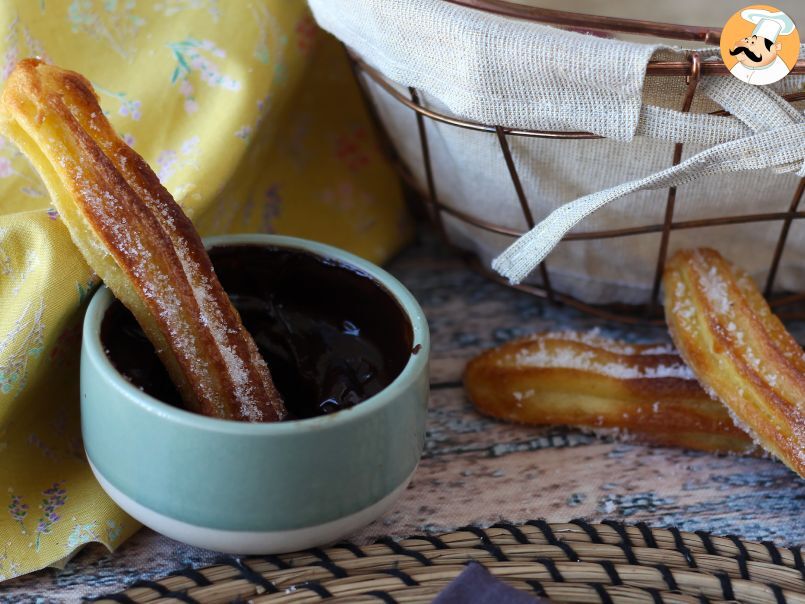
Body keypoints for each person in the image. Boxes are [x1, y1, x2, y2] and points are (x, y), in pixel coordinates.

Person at [729, 9, 796, 85]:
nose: (747, 43)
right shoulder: (738, 66)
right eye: (747, 40)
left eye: (753, 43)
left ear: (776, 47)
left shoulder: (779, 70)